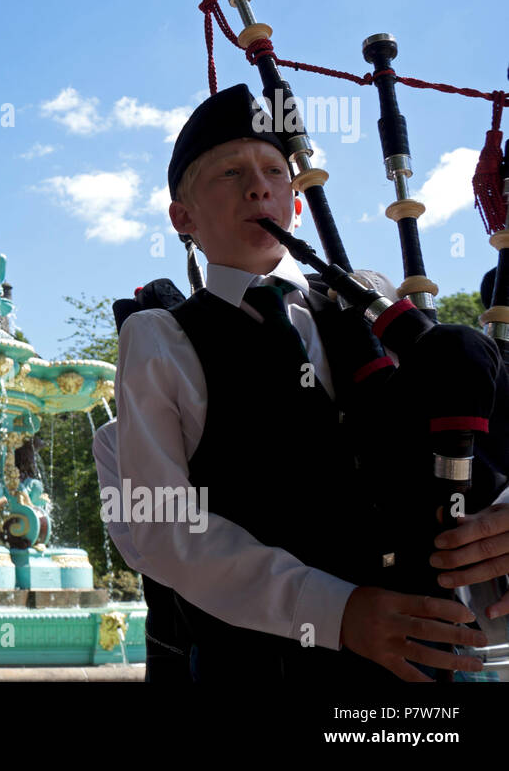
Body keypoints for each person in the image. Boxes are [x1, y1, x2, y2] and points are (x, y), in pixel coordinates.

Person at [114, 83, 490, 682]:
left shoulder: (366, 295)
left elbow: (460, 415)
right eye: (230, 172)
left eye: (273, 170)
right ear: (183, 217)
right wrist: (335, 612)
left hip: (432, 654)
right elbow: (161, 527)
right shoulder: (162, 338)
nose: (258, 185)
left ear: (293, 200)